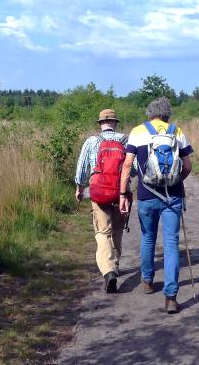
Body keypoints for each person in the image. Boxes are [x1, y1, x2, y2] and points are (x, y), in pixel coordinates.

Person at [119, 97, 193, 314]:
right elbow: (187, 166)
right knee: (171, 243)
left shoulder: (137, 132)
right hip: (173, 196)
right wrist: (177, 180)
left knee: (148, 237)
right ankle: (171, 297)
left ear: (149, 113)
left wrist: (124, 192)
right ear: (167, 113)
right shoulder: (177, 131)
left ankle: (148, 280)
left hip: (146, 195)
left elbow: (127, 164)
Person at [74, 109, 129, 293]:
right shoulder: (125, 140)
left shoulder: (91, 141)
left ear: (100, 124)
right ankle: (115, 264)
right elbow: (134, 168)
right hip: (121, 192)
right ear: (115, 122)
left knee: (102, 232)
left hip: (98, 192)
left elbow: (82, 169)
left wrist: (80, 187)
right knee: (118, 231)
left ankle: (108, 271)